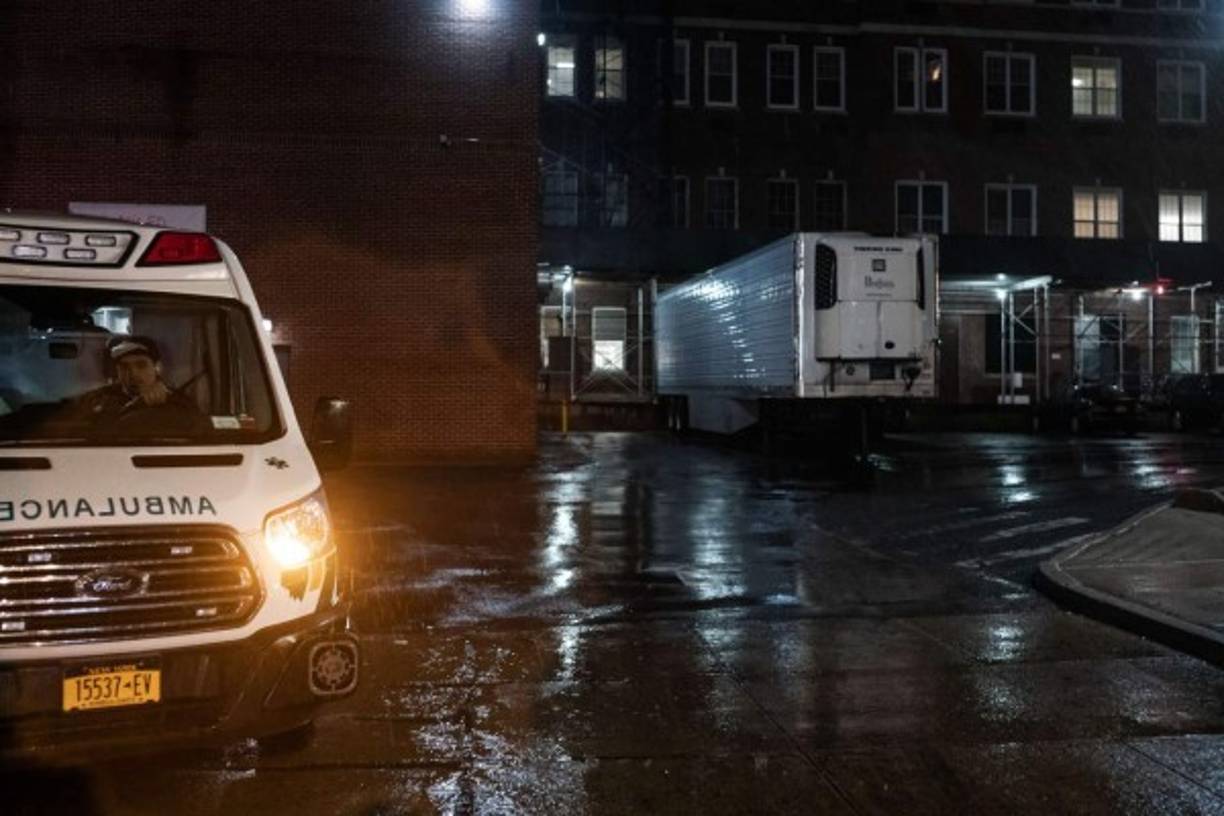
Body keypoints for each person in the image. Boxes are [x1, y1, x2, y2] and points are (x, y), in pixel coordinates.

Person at [80, 335, 208, 435]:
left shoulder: (179, 403)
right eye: (124, 367)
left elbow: (201, 429)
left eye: (141, 365)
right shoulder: (97, 399)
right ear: (116, 371)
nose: (133, 374)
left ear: (157, 367)